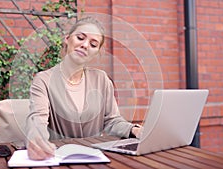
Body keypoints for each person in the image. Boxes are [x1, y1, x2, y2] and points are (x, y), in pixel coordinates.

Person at [25, 17, 143, 160]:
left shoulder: (101, 79)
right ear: (67, 39)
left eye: (93, 45)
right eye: (80, 38)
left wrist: (134, 130)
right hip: (58, 158)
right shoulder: (43, 80)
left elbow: (112, 120)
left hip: (94, 158)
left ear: (97, 52)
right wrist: (37, 139)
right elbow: (37, 118)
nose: (85, 45)